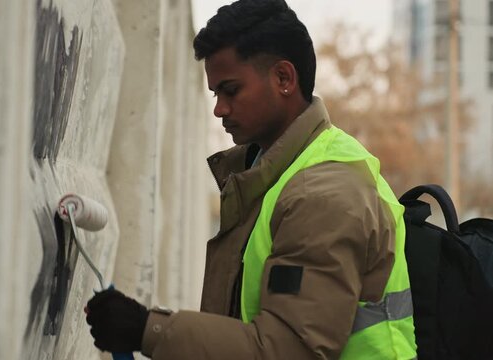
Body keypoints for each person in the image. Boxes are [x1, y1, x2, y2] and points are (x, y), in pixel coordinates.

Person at [85, 0, 417, 358]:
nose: (219, 108)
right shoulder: (270, 174)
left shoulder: (323, 193)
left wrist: (146, 330)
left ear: (284, 79)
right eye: (215, 93)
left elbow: (289, 349)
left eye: (231, 90)